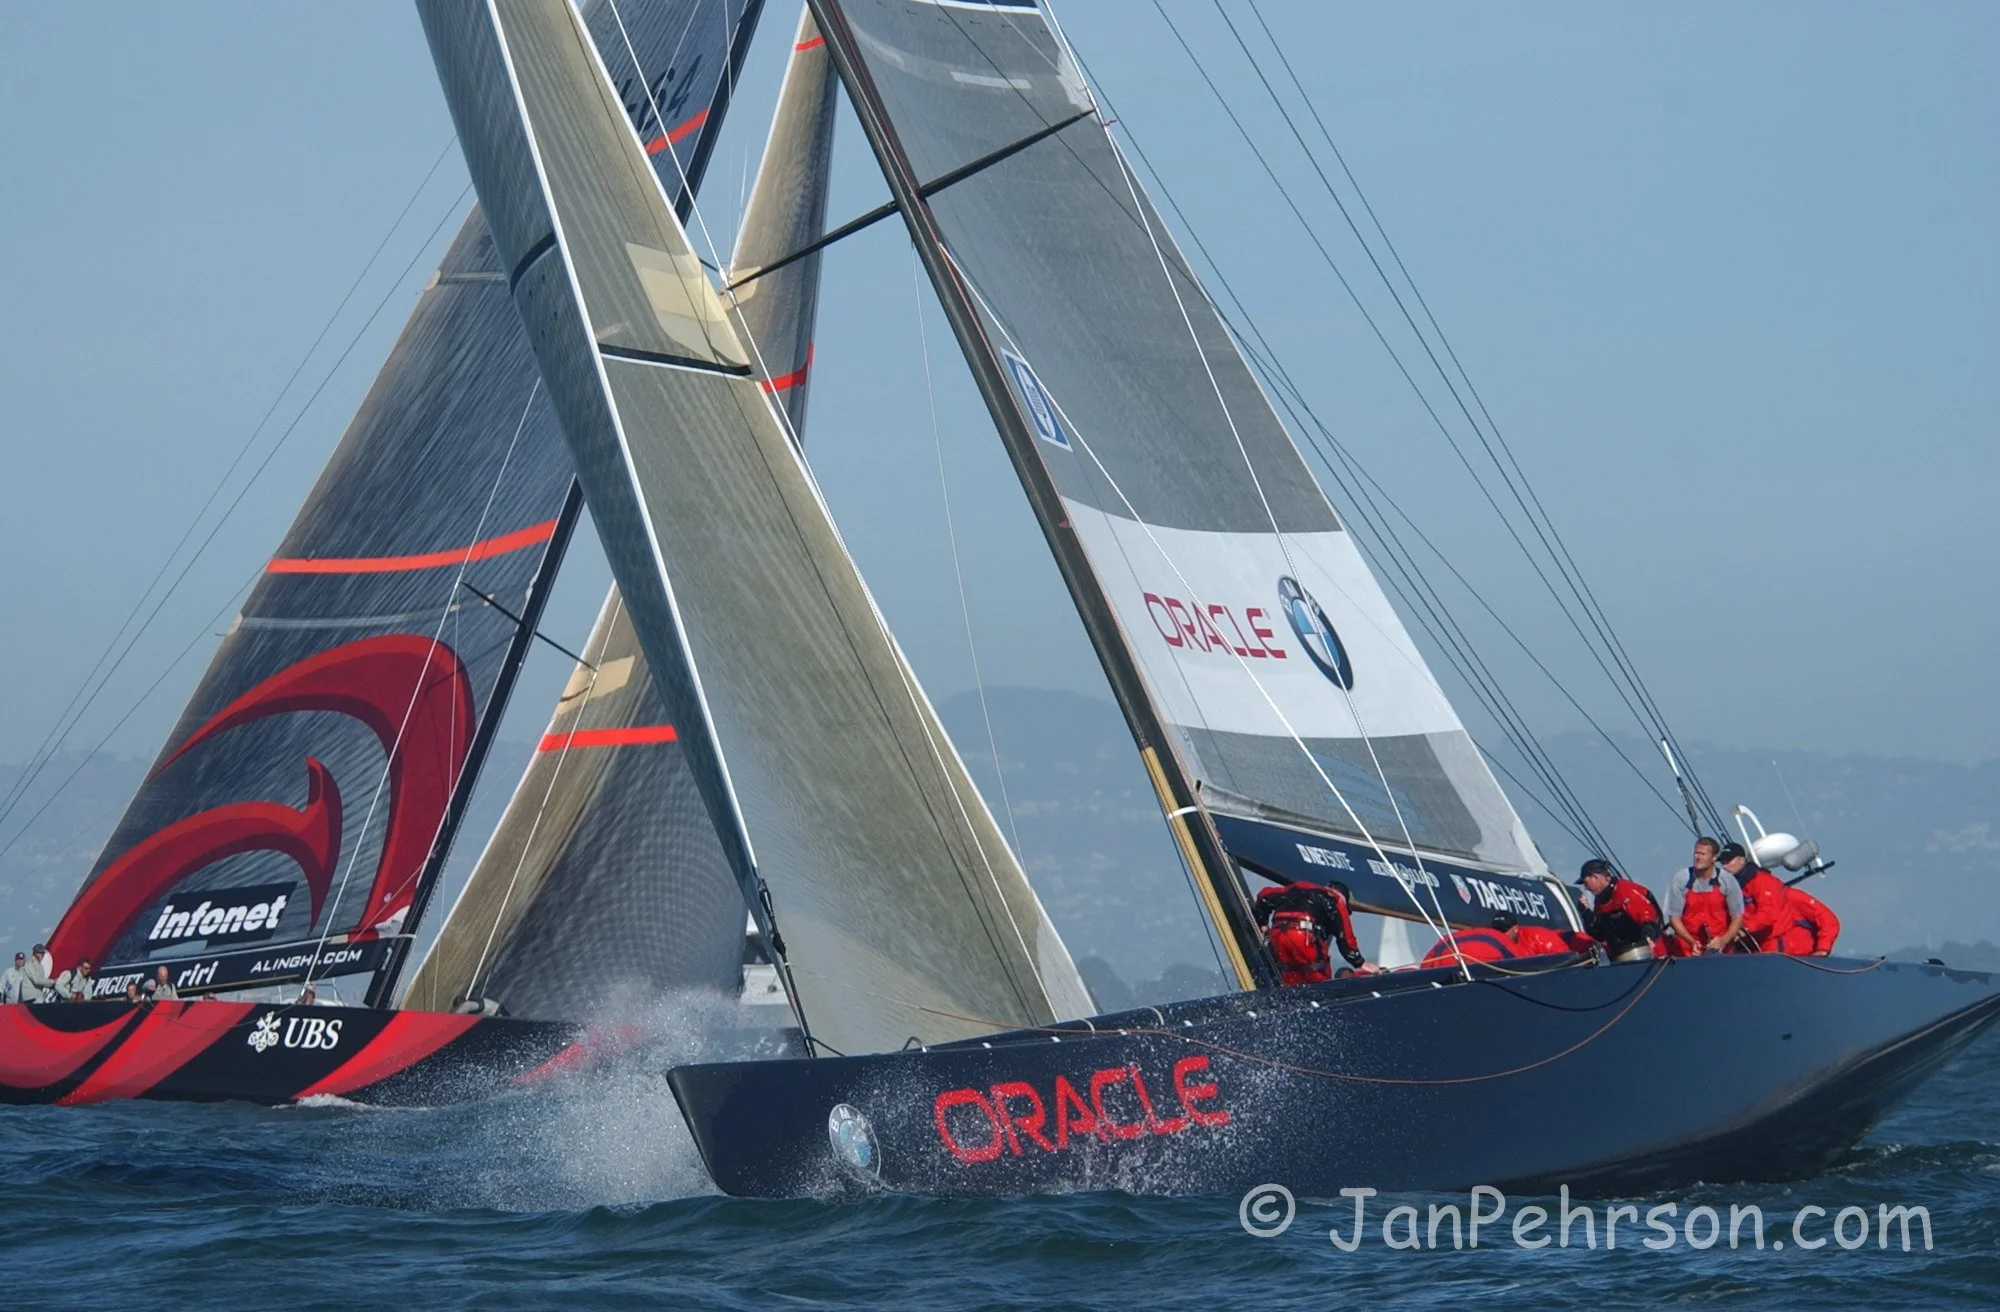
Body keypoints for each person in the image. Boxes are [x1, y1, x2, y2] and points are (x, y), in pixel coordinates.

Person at [1253, 877, 1366, 985]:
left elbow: (1264, 895)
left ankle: (1290, 1000)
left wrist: (1262, 922)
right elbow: (1346, 937)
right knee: (1319, 970)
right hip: (1303, 936)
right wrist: (1360, 962)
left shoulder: (1295, 889)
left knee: (1290, 970)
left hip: (1277, 935)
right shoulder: (1336, 899)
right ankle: (1322, 998)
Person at [1665, 837, 1744, 956]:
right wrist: (1691, 942)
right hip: (1687, 948)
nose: (1698, 857)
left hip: (1720, 947)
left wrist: (1723, 940)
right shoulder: (1681, 879)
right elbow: (1674, 918)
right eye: (1696, 853)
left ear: (1714, 858)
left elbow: (1737, 917)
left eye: (1703, 854)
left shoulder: (1727, 881)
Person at [1575, 858, 1665, 961]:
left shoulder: (1626, 891)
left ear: (1595, 877)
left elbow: (1648, 917)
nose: (1586, 888)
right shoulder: (1599, 903)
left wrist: (1648, 936)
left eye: (1586, 883)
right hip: (1622, 958)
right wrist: (1586, 913)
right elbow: (1600, 934)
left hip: (1648, 955)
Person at [1718, 843, 1791, 953]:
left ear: (1742, 860)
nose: (1724, 866)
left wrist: (1745, 928)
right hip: (1748, 944)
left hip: (1771, 942)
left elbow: (1768, 913)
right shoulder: (1732, 886)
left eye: (1728, 861)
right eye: (1723, 862)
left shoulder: (1762, 880)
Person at [1421, 918, 1519, 967]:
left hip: (1444, 977)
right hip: (1477, 976)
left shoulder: (1449, 937)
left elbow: (1425, 965)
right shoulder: (1501, 938)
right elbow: (1520, 965)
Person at [1776, 883, 1842, 956]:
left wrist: (1822, 948)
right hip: (1770, 960)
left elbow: (1829, 921)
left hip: (1800, 960)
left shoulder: (1790, 896)